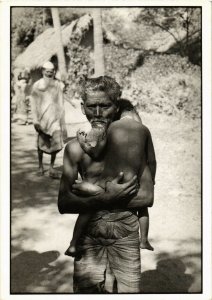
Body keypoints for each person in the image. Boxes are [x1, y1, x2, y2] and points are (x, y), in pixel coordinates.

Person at [58, 76, 156, 293]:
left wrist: (95, 193)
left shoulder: (134, 143)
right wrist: (107, 197)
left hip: (126, 235)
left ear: (116, 106)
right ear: (83, 108)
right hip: (90, 237)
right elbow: (64, 202)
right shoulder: (75, 149)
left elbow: (147, 197)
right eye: (92, 107)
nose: (99, 113)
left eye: (105, 106)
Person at [65, 105, 154, 258]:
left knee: (89, 207)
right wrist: (152, 179)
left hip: (112, 179)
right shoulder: (144, 129)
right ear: (135, 114)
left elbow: (97, 152)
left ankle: (73, 243)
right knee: (143, 208)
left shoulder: (112, 128)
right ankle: (144, 240)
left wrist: (82, 142)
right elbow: (151, 160)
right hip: (134, 181)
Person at [31, 61, 65, 178]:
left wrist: (62, 120)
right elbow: (33, 104)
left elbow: (61, 102)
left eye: (51, 72)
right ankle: (40, 166)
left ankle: (51, 168)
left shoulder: (58, 85)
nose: (49, 73)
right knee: (41, 144)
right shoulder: (37, 85)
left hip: (55, 119)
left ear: (53, 72)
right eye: (47, 71)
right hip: (42, 119)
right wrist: (35, 120)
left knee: (55, 145)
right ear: (43, 71)